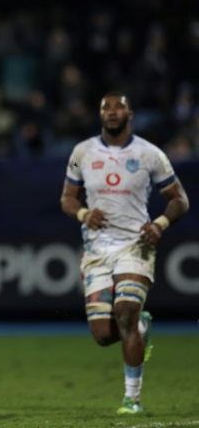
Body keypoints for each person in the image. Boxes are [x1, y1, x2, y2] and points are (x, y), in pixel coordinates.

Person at [60, 92, 189, 415]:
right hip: (97, 249)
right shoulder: (82, 152)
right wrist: (83, 215)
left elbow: (180, 199)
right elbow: (67, 198)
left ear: (130, 113)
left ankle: (132, 399)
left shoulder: (150, 154)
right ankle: (139, 327)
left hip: (136, 245)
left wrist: (159, 224)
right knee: (104, 335)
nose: (113, 112)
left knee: (126, 310)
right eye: (107, 107)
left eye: (119, 107)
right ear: (100, 114)